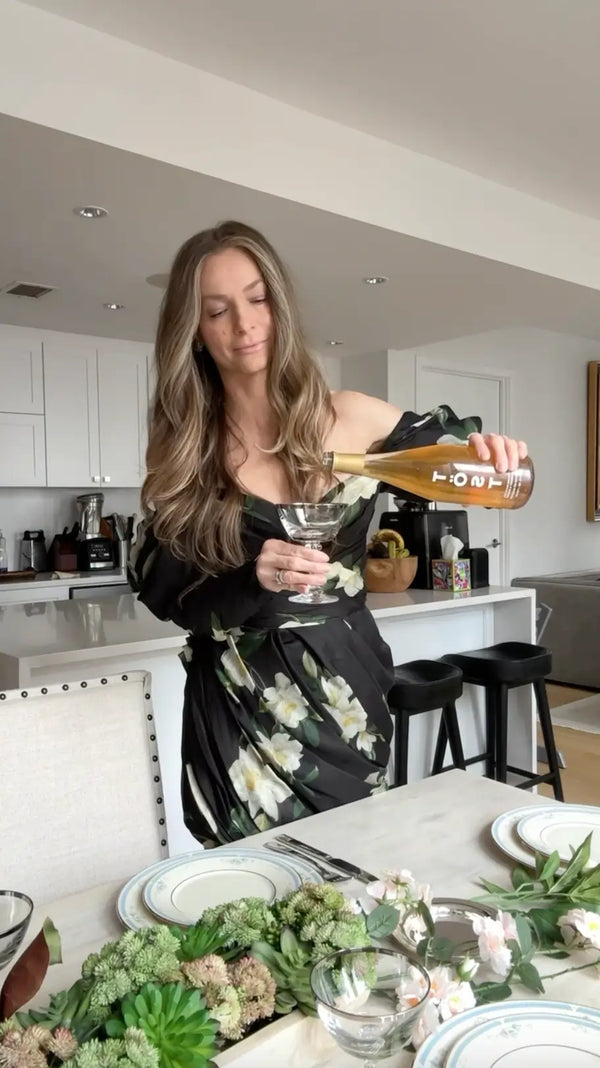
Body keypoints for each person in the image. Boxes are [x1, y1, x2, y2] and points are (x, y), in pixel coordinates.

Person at [129, 219, 528, 845]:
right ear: (196, 333)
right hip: (238, 708)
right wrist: (249, 578)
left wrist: (491, 452)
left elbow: (456, 462)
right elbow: (160, 588)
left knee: (353, 880)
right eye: (217, 311)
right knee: (251, 908)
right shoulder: (188, 450)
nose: (245, 323)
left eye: (258, 299)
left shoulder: (353, 417)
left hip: (347, 698)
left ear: (280, 304)